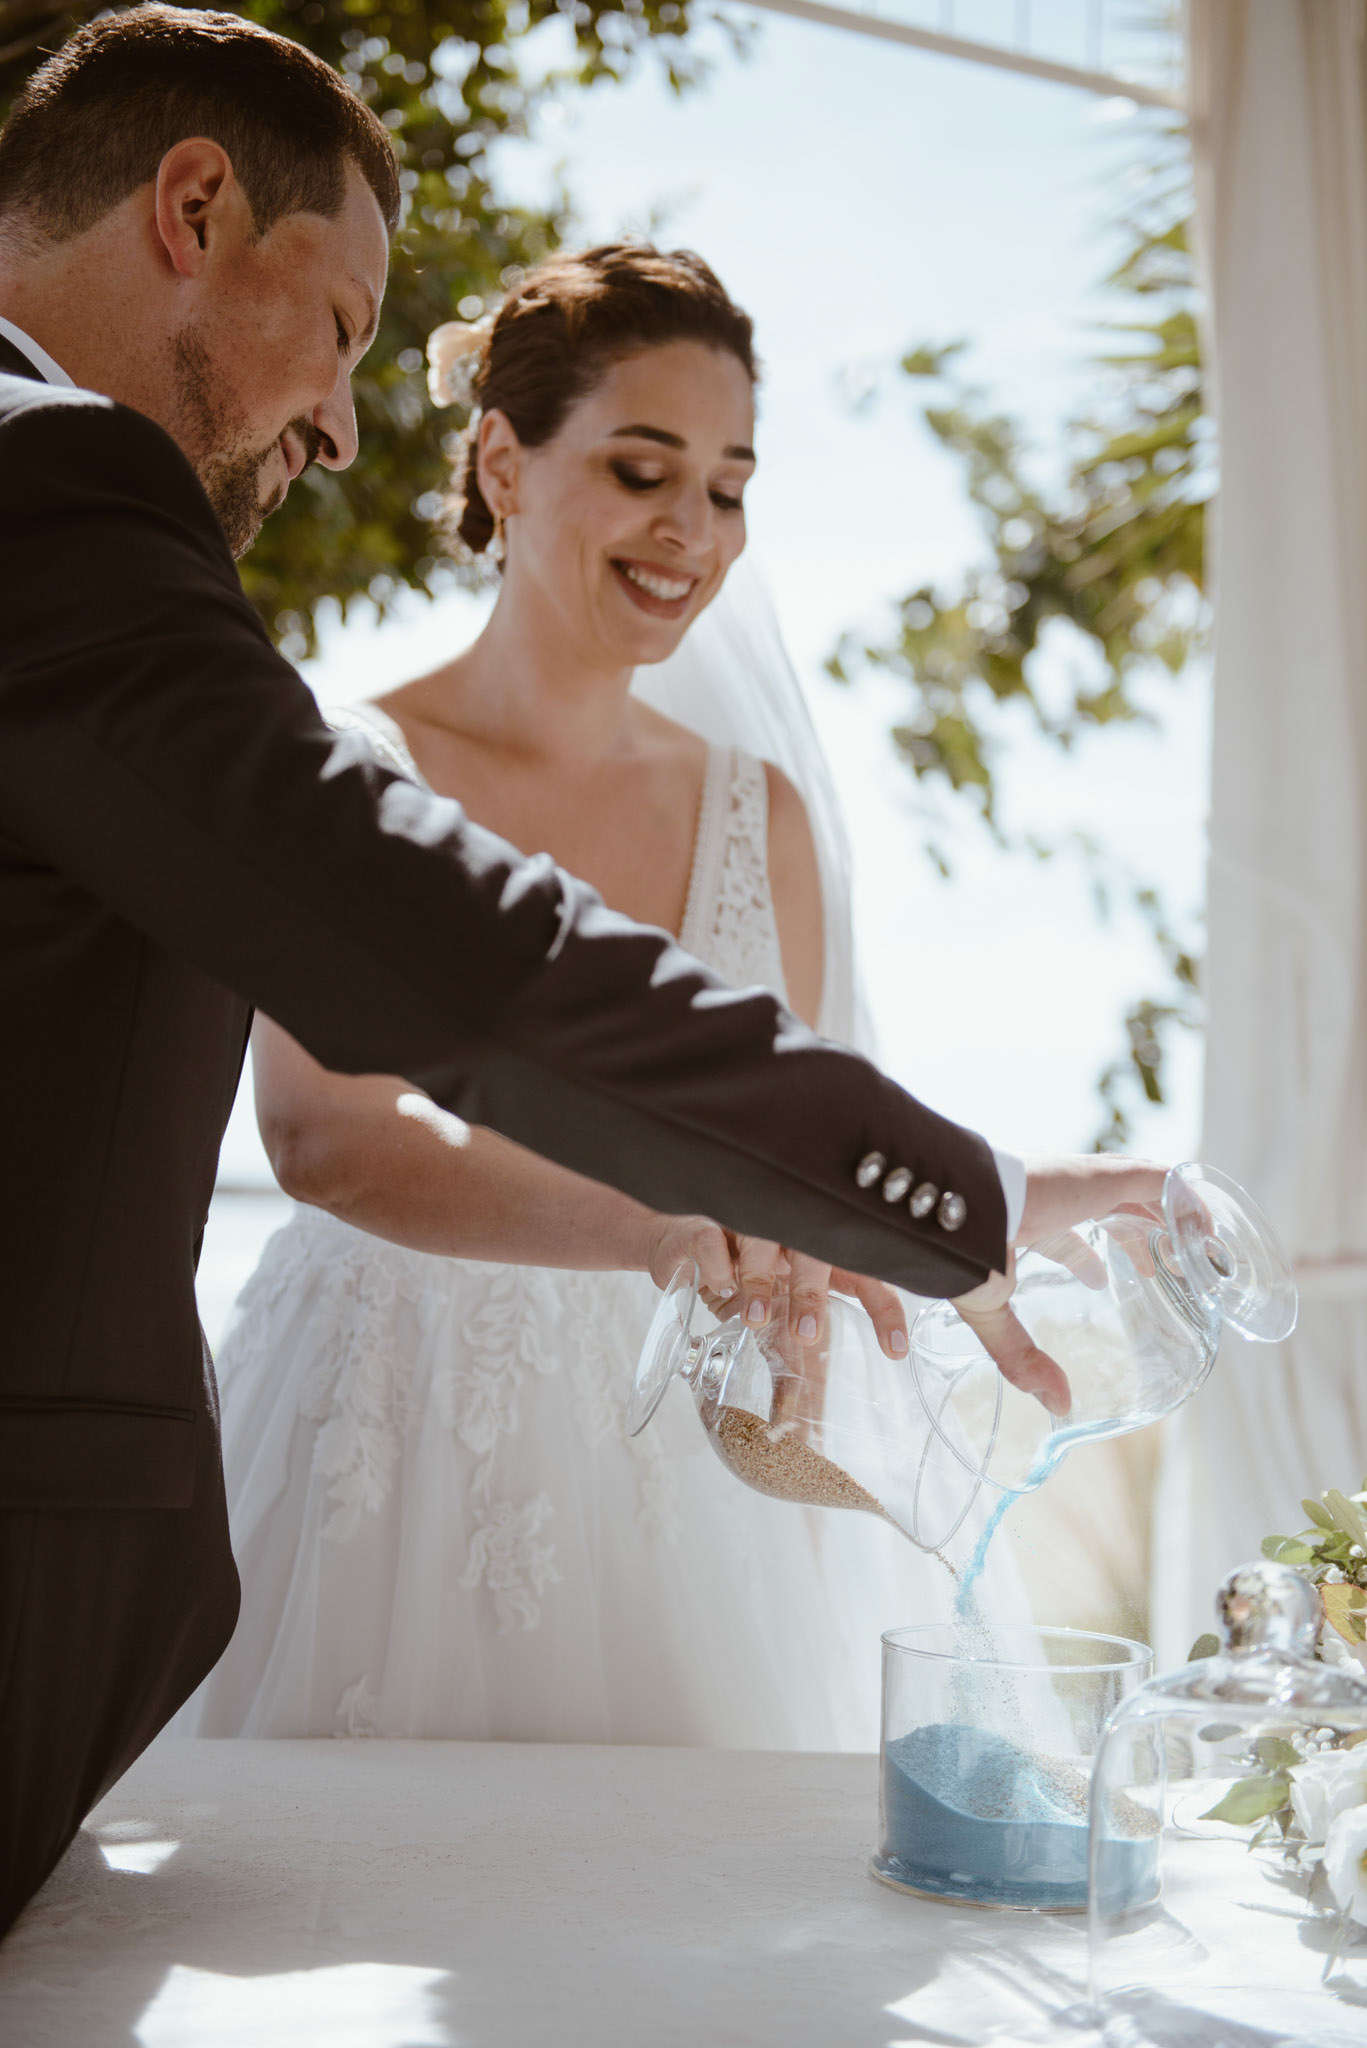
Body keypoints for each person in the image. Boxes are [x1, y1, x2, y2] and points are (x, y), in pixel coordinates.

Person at [0, 6, 1163, 1934]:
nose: (336, 422)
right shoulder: (53, 494)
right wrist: (952, 1195)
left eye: (733, 484)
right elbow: (450, 968)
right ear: (192, 211)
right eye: (340, 326)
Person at [180, 247, 1008, 1747]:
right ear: (503, 463)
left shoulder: (764, 820)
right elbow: (322, 1137)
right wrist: (663, 1228)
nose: (692, 529)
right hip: (384, 1435)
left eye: (729, 488)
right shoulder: (347, 767)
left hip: (686, 1496)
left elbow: (804, 1165)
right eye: (643, 470)